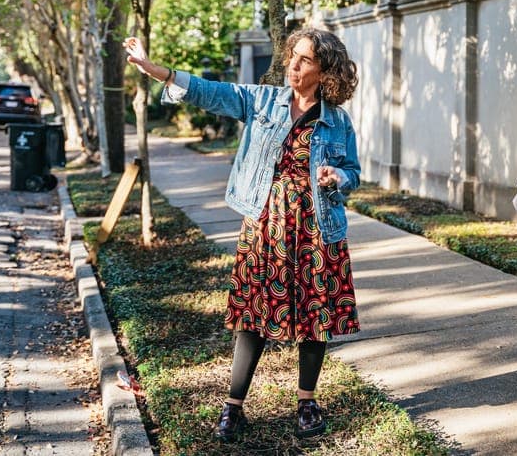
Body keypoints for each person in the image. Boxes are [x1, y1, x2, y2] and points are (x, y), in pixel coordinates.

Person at [123, 28, 362, 442]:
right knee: (252, 315)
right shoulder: (262, 100)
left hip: (316, 227)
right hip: (266, 223)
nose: (294, 65)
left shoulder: (337, 120)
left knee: (314, 318)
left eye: (305, 60)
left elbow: (354, 173)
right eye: (293, 56)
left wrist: (338, 175)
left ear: (325, 71)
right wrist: (156, 70)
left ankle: (306, 404)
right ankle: (233, 408)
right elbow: (208, 92)